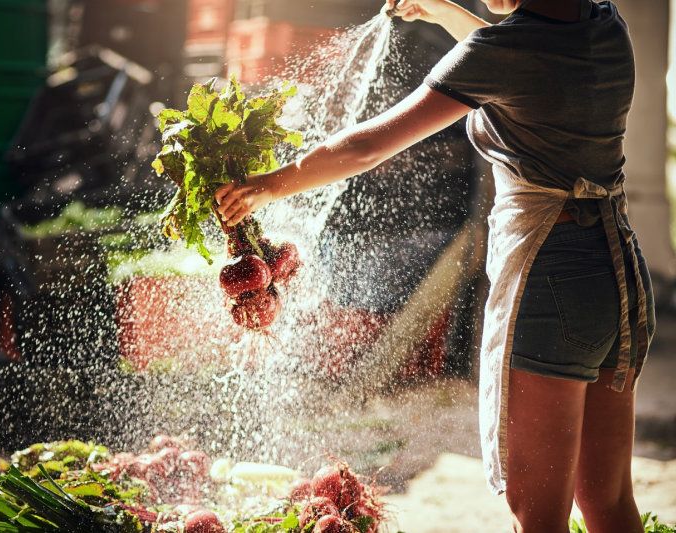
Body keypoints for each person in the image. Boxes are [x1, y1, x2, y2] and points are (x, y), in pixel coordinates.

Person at [215, 0, 657, 531]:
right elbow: (524, 53)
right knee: (607, 503)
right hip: (615, 274)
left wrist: (267, 185)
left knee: (537, 513)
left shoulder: (500, 52)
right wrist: (447, 14)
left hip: (551, 281)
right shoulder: (603, 25)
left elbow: (369, 146)